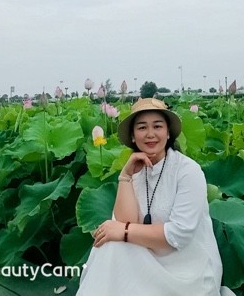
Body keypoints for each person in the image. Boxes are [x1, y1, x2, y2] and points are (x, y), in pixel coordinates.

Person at [76, 98, 234, 296]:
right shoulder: (135, 170)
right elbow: (125, 222)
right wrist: (125, 177)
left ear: (168, 133)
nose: (150, 134)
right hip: (148, 259)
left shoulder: (188, 171)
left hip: (187, 269)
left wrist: (123, 231)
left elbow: (179, 234)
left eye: (157, 126)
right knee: (110, 243)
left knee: (116, 237)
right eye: (142, 127)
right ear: (133, 136)